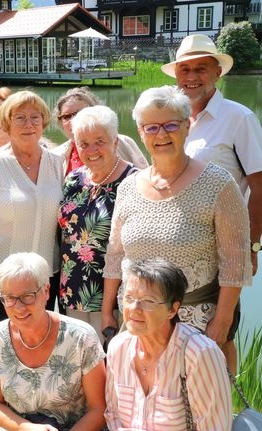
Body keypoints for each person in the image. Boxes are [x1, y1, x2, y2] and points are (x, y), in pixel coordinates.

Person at [103, 86, 252, 374]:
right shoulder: (129, 187)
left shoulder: (218, 184)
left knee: (197, 412)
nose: (162, 135)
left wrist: (221, 323)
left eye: (171, 124)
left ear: (188, 125)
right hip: (137, 322)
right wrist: (109, 312)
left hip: (198, 326)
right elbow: (115, 255)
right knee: (144, 404)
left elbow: (236, 261)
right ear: (140, 131)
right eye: (152, 127)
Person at [99, 258, 231, 431]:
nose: (134, 309)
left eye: (148, 301)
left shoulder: (198, 354)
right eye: (129, 298)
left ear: (173, 309)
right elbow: (113, 419)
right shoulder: (118, 347)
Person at [0, 252, 106, 431]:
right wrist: (27, 430)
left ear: (46, 291)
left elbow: (99, 409)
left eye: (27, 296)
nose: (18, 307)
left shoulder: (80, 337)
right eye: (9, 298)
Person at [0, 90, 65, 345]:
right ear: (7, 123)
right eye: (20, 117)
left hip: (45, 280)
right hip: (2, 281)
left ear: (44, 123)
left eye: (35, 117)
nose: (28, 124)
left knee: (42, 346)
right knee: (3, 350)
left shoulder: (58, 163)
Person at [162, 33, 262, 275]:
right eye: (185, 69)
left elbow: (259, 187)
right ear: (177, 74)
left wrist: (251, 245)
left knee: (221, 313)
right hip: (173, 245)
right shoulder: (170, 120)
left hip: (222, 248)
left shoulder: (239, 118)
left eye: (201, 69)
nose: (192, 77)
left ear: (218, 72)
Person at [58, 106, 137, 342]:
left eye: (99, 141)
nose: (91, 150)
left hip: (113, 299)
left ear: (114, 141)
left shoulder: (133, 181)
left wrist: (108, 309)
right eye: (83, 143)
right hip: (73, 292)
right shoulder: (74, 179)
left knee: (110, 363)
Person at [52, 87, 148, 174]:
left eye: (79, 113)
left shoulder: (123, 142)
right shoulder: (56, 155)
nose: (72, 120)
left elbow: (145, 176)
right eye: (66, 116)